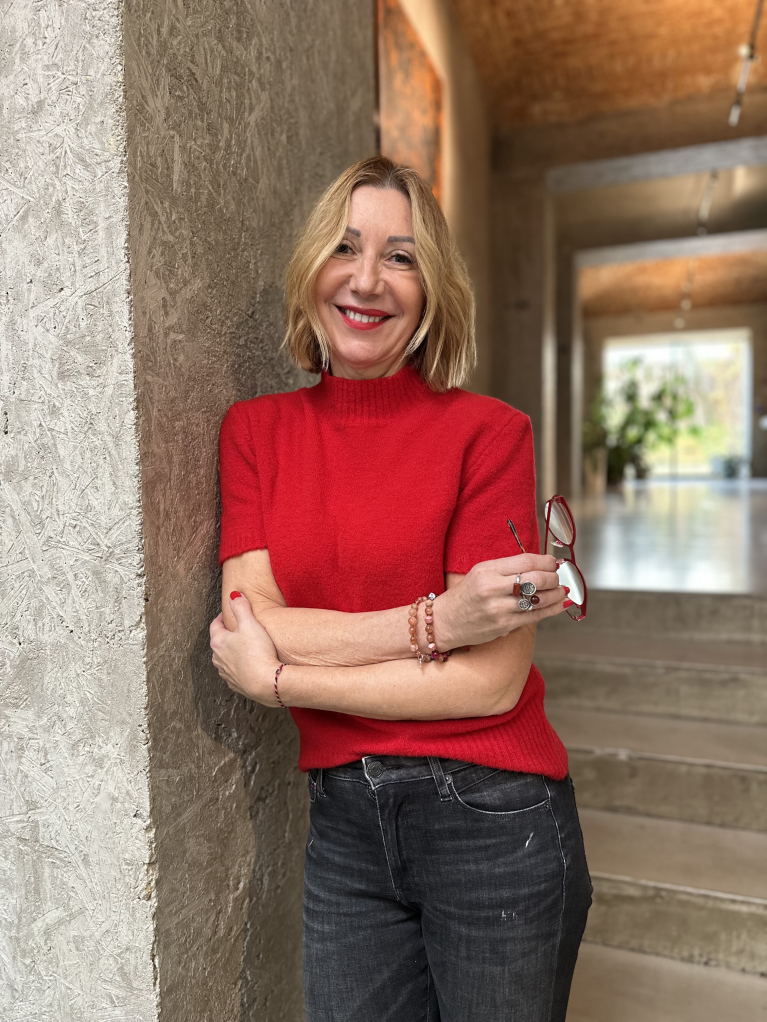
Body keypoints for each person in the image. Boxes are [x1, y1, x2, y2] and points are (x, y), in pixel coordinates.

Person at [209, 155, 591, 1022]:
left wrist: (282, 681)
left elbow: (487, 684)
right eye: (345, 248)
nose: (367, 280)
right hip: (343, 826)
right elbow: (250, 619)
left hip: (493, 816)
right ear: (312, 268)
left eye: (402, 257)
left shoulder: (490, 435)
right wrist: (439, 621)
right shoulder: (254, 433)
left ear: (431, 292)